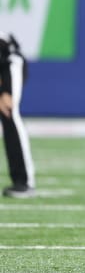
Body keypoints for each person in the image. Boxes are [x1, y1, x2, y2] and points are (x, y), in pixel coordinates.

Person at [0, 32, 35, 198]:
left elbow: (6, 52)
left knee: (9, 113)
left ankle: (24, 181)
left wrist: (5, 89)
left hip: (8, 63)